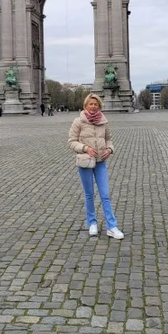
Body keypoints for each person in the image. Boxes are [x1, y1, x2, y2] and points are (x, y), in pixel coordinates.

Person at [68, 93, 124, 240]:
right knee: (89, 194)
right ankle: (92, 222)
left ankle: (112, 226)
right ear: (85, 106)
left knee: (105, 194)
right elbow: (71, 141)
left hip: (100, 162)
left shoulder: (104, 122)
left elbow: (108, 140)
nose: (93, 106)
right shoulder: (78, 122)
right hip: (85, 161)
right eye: (90, 104)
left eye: (96, 104)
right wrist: (85, 148)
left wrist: (109, 149)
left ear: (99, 106)